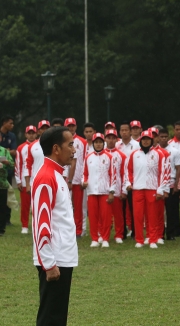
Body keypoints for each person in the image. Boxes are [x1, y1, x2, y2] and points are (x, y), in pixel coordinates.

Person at [32, 126, 77, 325]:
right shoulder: (46, 177)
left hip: (62, 256)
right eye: (70, 144)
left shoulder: (57, 175)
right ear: (56, 148)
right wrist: (49, 263)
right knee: (50, 318)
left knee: (57, 317)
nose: (74, 150)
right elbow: (42, 223)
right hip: (54, 259)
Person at [126, 130, 168, 248]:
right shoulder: (134, 154)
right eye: (143, 139)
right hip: (137, 188)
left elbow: (163, 173)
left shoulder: (158, 154)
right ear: (140, 141)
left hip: (152, 188)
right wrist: (129, 183)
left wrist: (161, 189)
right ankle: (139, 240)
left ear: (151, 141)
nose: (145, 141)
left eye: (148, 139)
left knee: (152, 215)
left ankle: (152, 239)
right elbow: (128, 171)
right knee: (138, 215)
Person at [82, 133, 116, 248]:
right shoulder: (88, 157)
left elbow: (113, 175)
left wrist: (111, 191)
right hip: (91, 191)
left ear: (103, 143)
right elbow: (85, 174)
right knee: (93, 216)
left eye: (100, 142)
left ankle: (105, 238)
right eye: (96, 142)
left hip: (104, 191)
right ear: (93, 143)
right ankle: (95, 239)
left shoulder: (109, 157)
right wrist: (84, 181)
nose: (98, 144)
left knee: (105, 217)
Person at [158, 128, 180, 240]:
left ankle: (171, 233)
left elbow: (178, 168)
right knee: (158, 211)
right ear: (158, 138)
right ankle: (160, 233)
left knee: (171, 210)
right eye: (161, 137)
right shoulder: (154, 151)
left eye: (165, 137)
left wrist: (177, 184)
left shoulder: (174, 151)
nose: (163, 139)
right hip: (158, 184)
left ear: (168, 137)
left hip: (171, 183)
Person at [64, 118, 88, 238]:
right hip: (64, 177)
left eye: (73, 126)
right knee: (65, 205)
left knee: (79, 206)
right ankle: (68, 229)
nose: (71, 128)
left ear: (76, 126)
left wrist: (81, 178)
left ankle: (79, 230)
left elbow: (83, 160)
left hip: (77, 178)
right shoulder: (61, 141)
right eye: (69, 126)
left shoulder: (82, 142)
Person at [104, 129, 128, 243]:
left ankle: (119, 234)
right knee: (104, 214)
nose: (111, 140)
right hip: (103, 189)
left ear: (116, 139)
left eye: (113, 138)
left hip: (117, 189)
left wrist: (124, 190)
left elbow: (124, 173)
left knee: (118, 214)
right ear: (105, 139)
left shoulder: (122, 155)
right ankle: (103, 234)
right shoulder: (101, 153)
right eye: (108, 137)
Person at [116, 121, 138, 238]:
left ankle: (134, 230)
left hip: (132, 179)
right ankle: (122, 231)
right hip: (119, 179)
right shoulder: (117, 145)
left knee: (132, 206)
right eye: (122, 130)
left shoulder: (136, 145)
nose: (124, 132)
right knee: (121, 207)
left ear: (130, 131)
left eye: (126, 130)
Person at [15, 125, 37, 234]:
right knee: (25, 204)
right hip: (25, 180)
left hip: (37, 178)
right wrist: (18, 180)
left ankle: (36, 224)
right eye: (29, 133)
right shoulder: (21, 148)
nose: (31, 135)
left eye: (33, 133)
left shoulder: (39, 145)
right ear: (26, 134)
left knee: (36, 204)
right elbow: (18, 164)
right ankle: (24, 225)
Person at [0, 115, 17, 226]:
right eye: (10, 123)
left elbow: (14, 152)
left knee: (6, 195)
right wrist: (7, 151)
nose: (12, 125)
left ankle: (7, 219)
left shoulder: (12, 136)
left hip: (7, 172)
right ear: (4, 123)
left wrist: (6, 152)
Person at [0, 140, 14, 236]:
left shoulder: (4, 151)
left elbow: (13, 165)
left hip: (2, 184)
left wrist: (7, 162)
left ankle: (1, 229)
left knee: (2, 207)